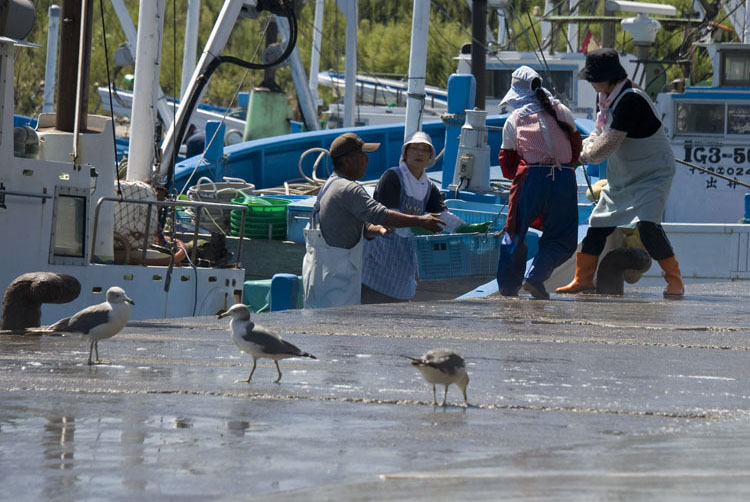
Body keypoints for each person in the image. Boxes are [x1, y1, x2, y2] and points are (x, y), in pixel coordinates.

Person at [556, 48, 684, 297]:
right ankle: (582, 279)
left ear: (610, 77)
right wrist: (584, 147)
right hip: (624, 175)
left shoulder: (631, 100)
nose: (591, 83)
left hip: (653, 174)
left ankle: (675, 280)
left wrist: (579, 156)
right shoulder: (605, 98)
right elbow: (598, 131)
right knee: (597, 225)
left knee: (648, 227)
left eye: (594, 78)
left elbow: (607, 145)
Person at [302, 132, 445, 309]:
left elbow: (343, 225)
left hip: (319, 275)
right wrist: (421, 221)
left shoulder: (330, 184)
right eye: (363, 155)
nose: (367, 161)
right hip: (337, 281)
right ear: (347, 161)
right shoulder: (349, 189)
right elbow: (379, 213)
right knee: (337, 329)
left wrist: (375, 230)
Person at [496, 66, 582, 299]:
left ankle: (508, 289)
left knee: (514, 233)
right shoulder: (562, 111)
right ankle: (535, 276)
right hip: (563, 178)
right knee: (562, 239)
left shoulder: (515, 119)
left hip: (531, 178)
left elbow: (507, 166)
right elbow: (575, 150)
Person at [361, 131, 447, 303]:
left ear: (430, 156)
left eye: (425, 149)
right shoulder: (392, 177)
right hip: (380, 254)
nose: (419, 153)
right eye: (414, 148)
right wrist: (422, 224)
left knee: (398, 304)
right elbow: (389, 217)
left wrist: (465, 228)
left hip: (403, 257)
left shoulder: (428, 186)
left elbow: (444, 216)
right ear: (405, 152)